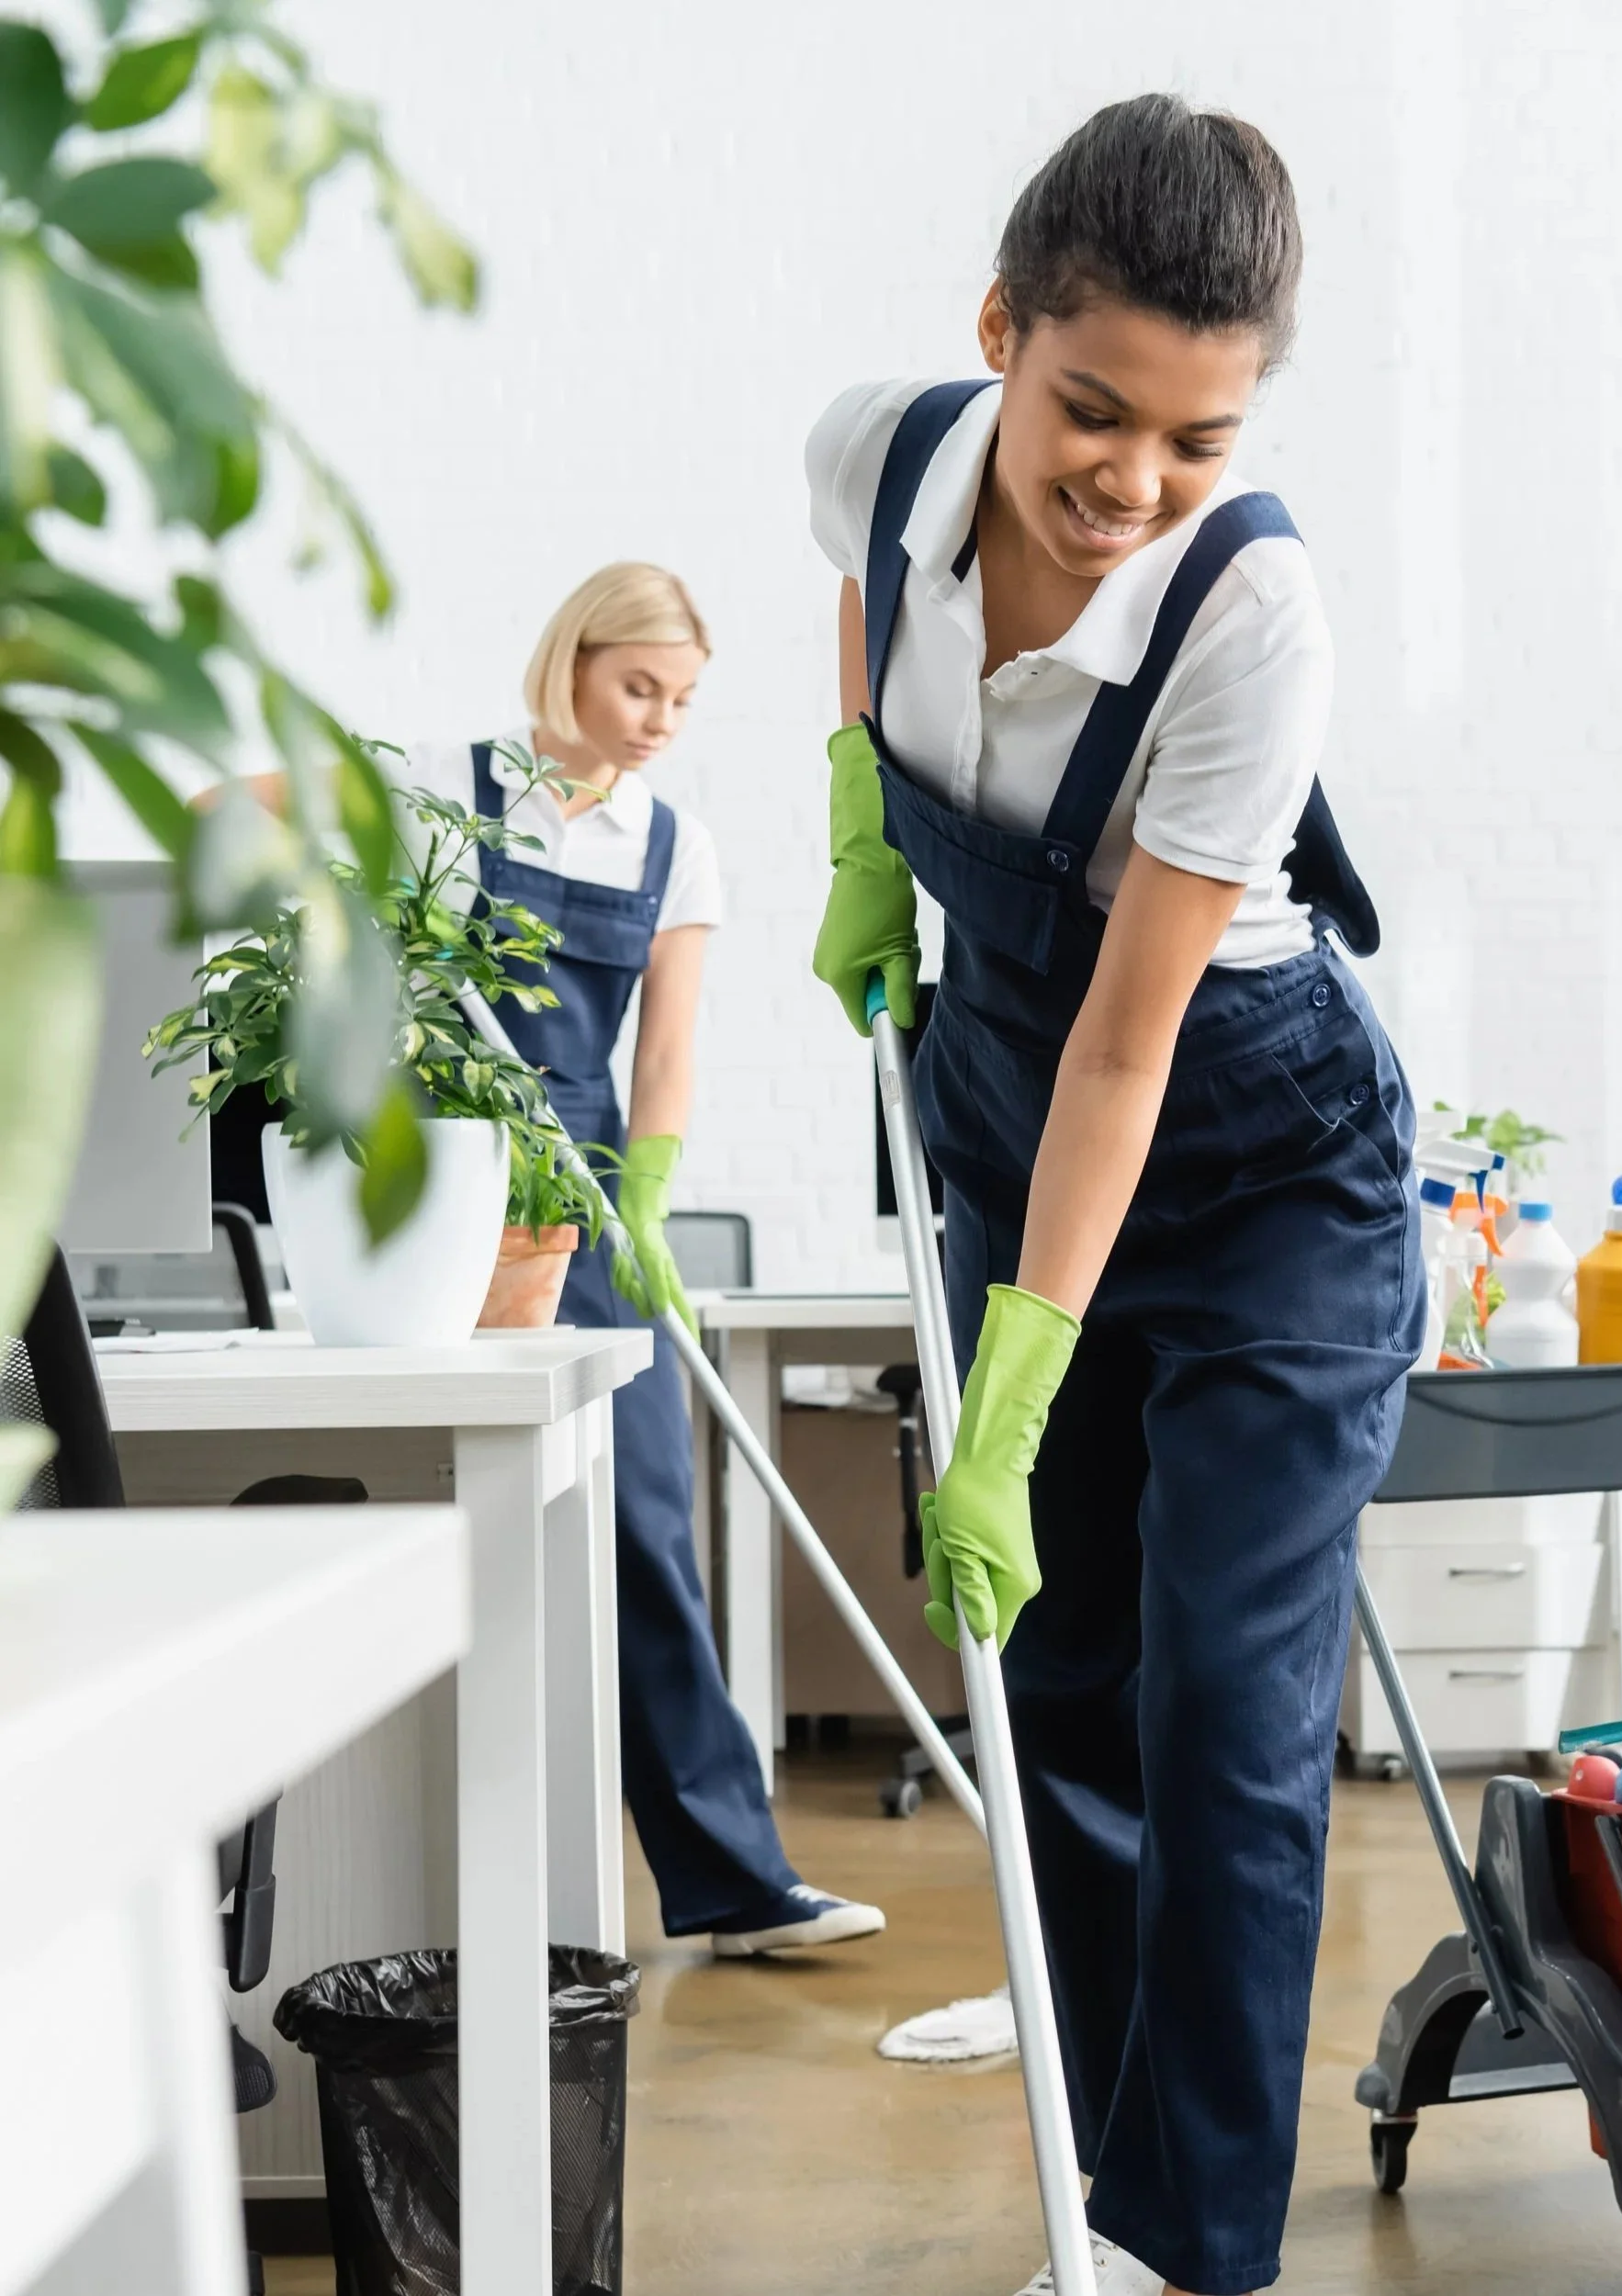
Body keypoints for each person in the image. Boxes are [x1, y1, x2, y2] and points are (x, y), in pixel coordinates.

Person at [805, 97, 1420, 2296]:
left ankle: (1186, 2239)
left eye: (1195, 432)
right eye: (1088, 410)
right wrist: (857, 809)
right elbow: (858, 598)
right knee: (1054, 1671)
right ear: (998, 333)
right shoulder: (876, 448)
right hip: (1005, 1101)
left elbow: (1130, 1042)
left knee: (1218, 1708)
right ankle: (1093, 2079)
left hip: (1258, 1172)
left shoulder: (1250, 615)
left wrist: (1004, 1397)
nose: (1129, 482)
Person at [397, 564, 884, 1957]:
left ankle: (735, 1884)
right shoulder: (446, 786)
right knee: (439, 1504)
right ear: (572, 660)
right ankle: (426, 1880)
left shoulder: (674, 846)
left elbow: (664, 1054)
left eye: (682, 698)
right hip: (436, 1177)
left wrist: (648, 1203)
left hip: (584, 1195)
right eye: (638, 687)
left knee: (644, 1526)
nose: (662, 718)